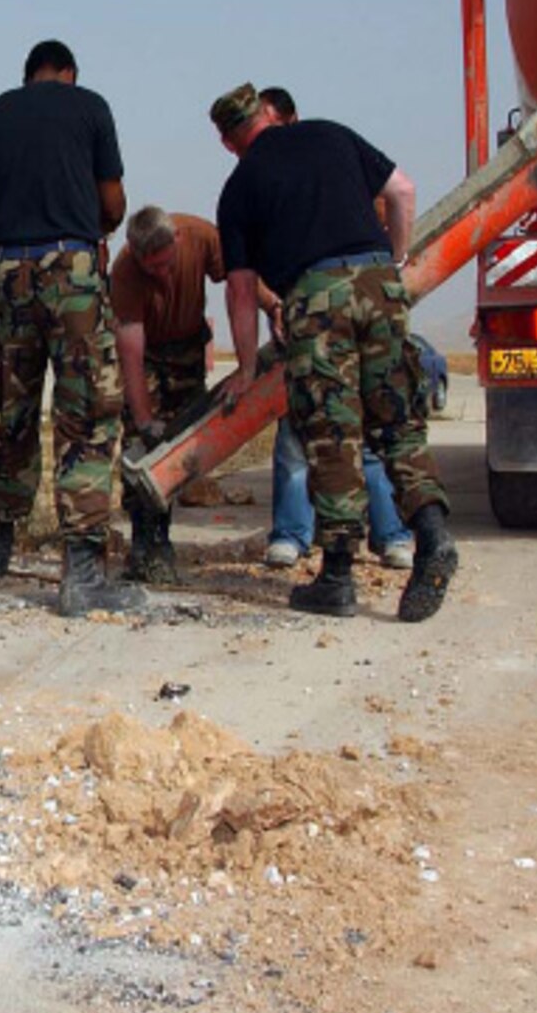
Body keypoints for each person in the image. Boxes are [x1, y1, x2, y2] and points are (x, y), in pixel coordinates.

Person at [211, 81, 459, 621]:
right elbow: (404, 190)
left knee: (332, 435)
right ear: (271, 116)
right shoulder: (333, 135)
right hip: (379, 286)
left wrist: (247, 366)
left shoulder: (241, 183)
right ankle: (434, 537)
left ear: (230, 141)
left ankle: (338, 578)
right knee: (399, 424)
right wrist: (391, 264)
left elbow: (241, 287)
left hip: (317, 300)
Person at [0, 39, 135, 617]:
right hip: (73, 271)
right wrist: (87, 216)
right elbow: (113, 204)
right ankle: (82, 569)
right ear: (69, 73)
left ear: (27, 74)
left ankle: (0, 542)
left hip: (10, 270)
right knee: (85, 415)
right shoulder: (91, 107)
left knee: (14, 412)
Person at [252, 87, 414, 571]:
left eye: (269, 128)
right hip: (303, 328)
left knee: (360, 434)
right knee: (298, 438)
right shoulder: (263, 181)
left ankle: (387, 539)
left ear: (291, 121)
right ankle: (296, 536)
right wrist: (278, 302)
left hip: (337, 324)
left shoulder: (331, 169)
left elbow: (397, 199)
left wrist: (393, 266)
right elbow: (252, 267)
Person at [110, 204, 228, 584]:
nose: (161, 275)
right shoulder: (125, 271)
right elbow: (131, 351)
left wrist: (274, 306)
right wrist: (144, 419)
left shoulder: (201, 236)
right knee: (141, 451)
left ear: (177, 239)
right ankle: (145, 545)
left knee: (182, 447)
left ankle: (164, 538)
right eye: (152, 269)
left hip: (189, 353)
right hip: (149, 357)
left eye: (166, 264)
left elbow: (242, 279)